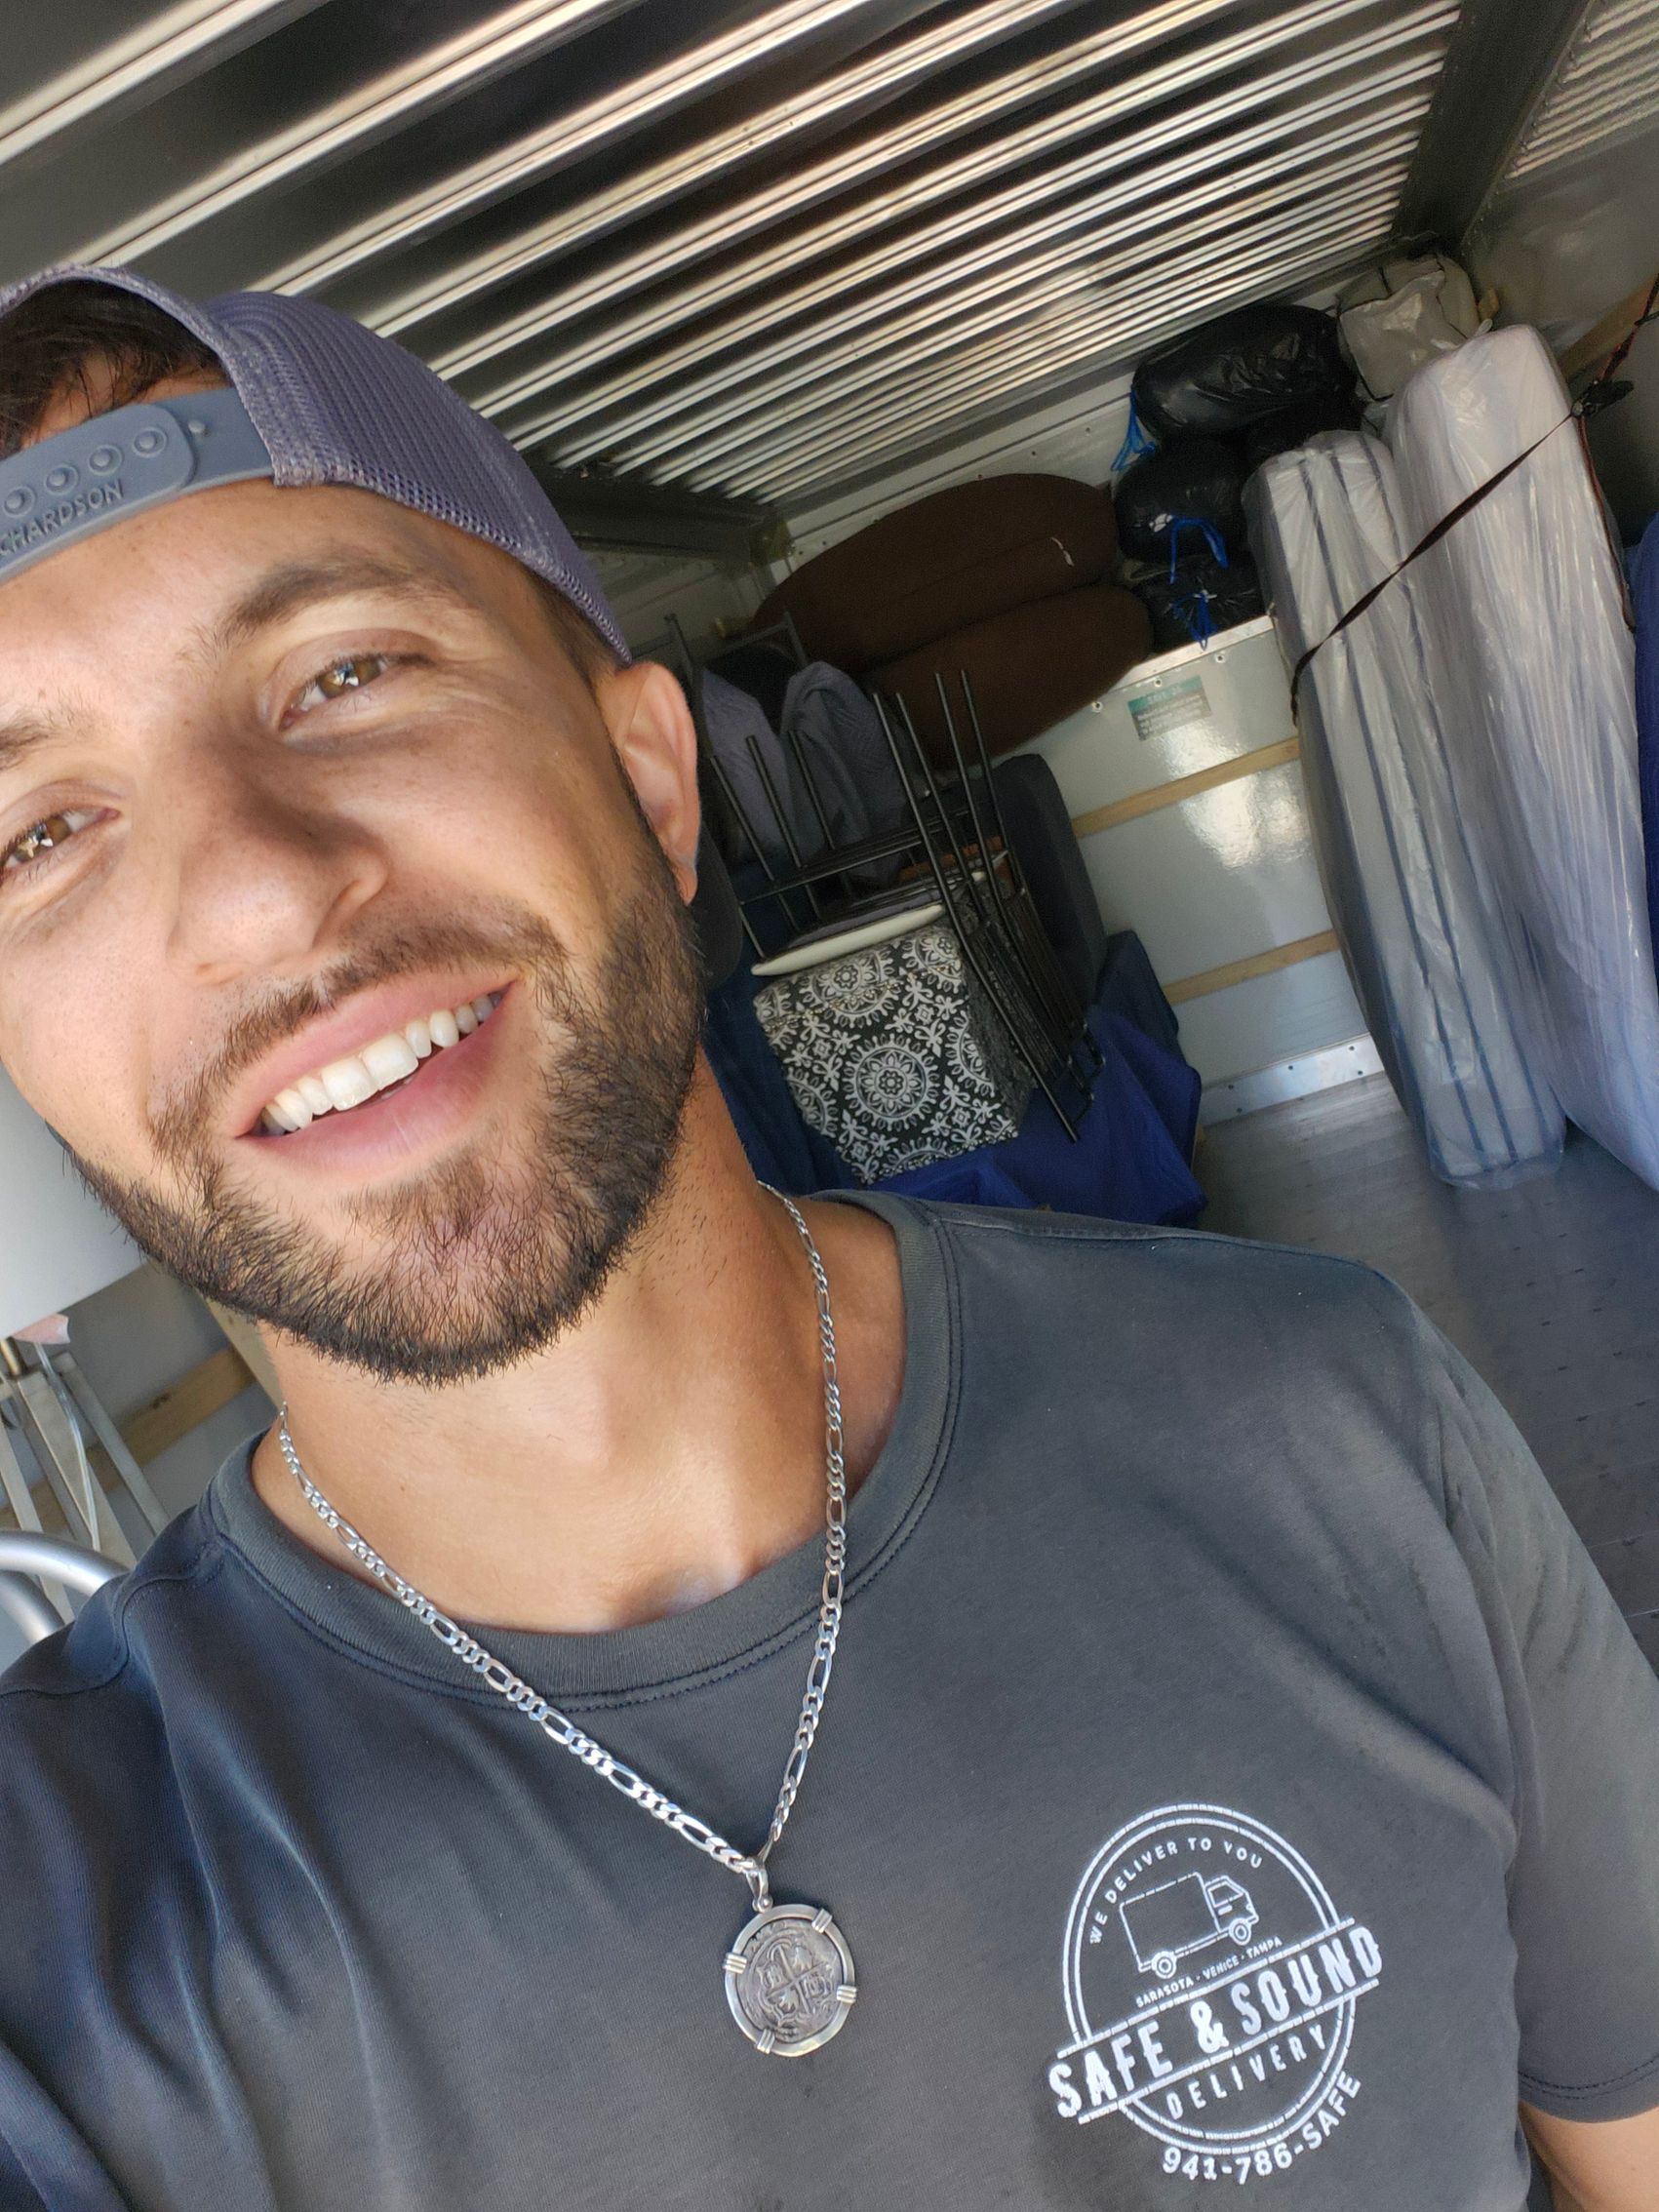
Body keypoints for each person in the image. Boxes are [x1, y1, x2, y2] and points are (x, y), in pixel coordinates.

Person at [0, 264, 1653, 2212]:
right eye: (34, 831)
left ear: (646, 775)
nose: (258, 892)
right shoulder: (59, 1944)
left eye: (346, 673)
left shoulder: (1333, 1418)